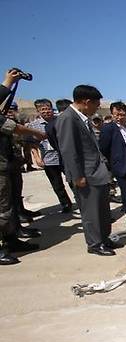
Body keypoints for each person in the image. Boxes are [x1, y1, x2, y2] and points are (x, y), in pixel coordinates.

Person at [57, 85, 116, 256]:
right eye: (96, 104)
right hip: (86, 174)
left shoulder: (82, 118)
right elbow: (68, 150)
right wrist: (78, 176)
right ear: (86, 101)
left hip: (97, 173)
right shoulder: (68, 119)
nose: (98, 107)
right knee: (91, 212)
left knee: (103, 210)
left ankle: (104, 238)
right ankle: (95, 244)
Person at [0, 68, 47, 264]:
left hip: (6, 165)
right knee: (2, 210)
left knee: (9, 206)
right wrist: (8, 82)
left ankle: (11, 239)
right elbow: (10, 126)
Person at [27, 99, 73, 214]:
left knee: (73, 180)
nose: (46, 111)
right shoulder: (34, 125)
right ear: (38, 111)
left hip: (64, 157)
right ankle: (65, 204)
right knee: (57, 184)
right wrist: (37, 158)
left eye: (48, 109)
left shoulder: (60, 120)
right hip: (48, 159)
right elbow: (33, 144)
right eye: (43, 109)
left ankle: (80, 200)